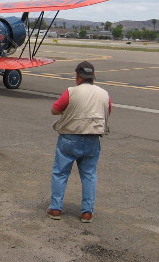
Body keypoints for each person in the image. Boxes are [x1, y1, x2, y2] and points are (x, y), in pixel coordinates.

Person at [46, 61, 111, 223]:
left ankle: (55, 208)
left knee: (60, 173)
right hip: (92, 139)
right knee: (89, 175)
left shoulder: (71, 92)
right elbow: (108, 110)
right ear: (92, 77)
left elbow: (55, 109)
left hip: (70, 138)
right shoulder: (104, 93)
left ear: (78, 76)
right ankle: (87, 212)